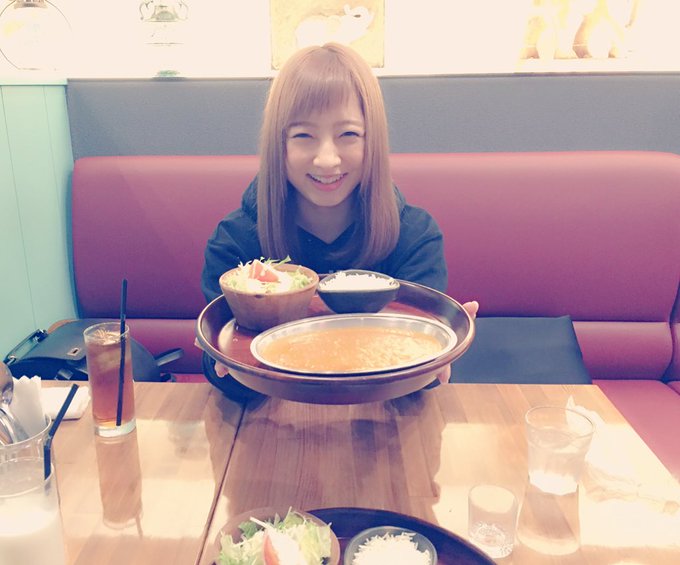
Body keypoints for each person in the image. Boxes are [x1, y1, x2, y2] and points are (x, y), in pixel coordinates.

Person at [201, 42, 477, 400]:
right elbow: (224, 375)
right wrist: (226, 360)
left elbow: (416, 382)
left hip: (383, 425)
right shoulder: (236, 242)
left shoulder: (415, 237)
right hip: (271, 423)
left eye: (348, 134)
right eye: (303, 136)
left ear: (372, 140)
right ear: (278, 145)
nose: (327, 160)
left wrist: (439, 352)